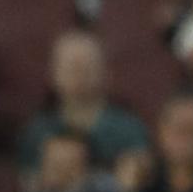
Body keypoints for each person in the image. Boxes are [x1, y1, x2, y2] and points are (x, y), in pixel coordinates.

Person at [17, 31, 152, 171]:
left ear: (106, 73)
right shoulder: (38, 131)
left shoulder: (128, 130)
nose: (78, 75)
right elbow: (26, 180)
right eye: (70, 67)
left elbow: (140, 178)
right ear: (53, 74)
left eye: (87, 67)